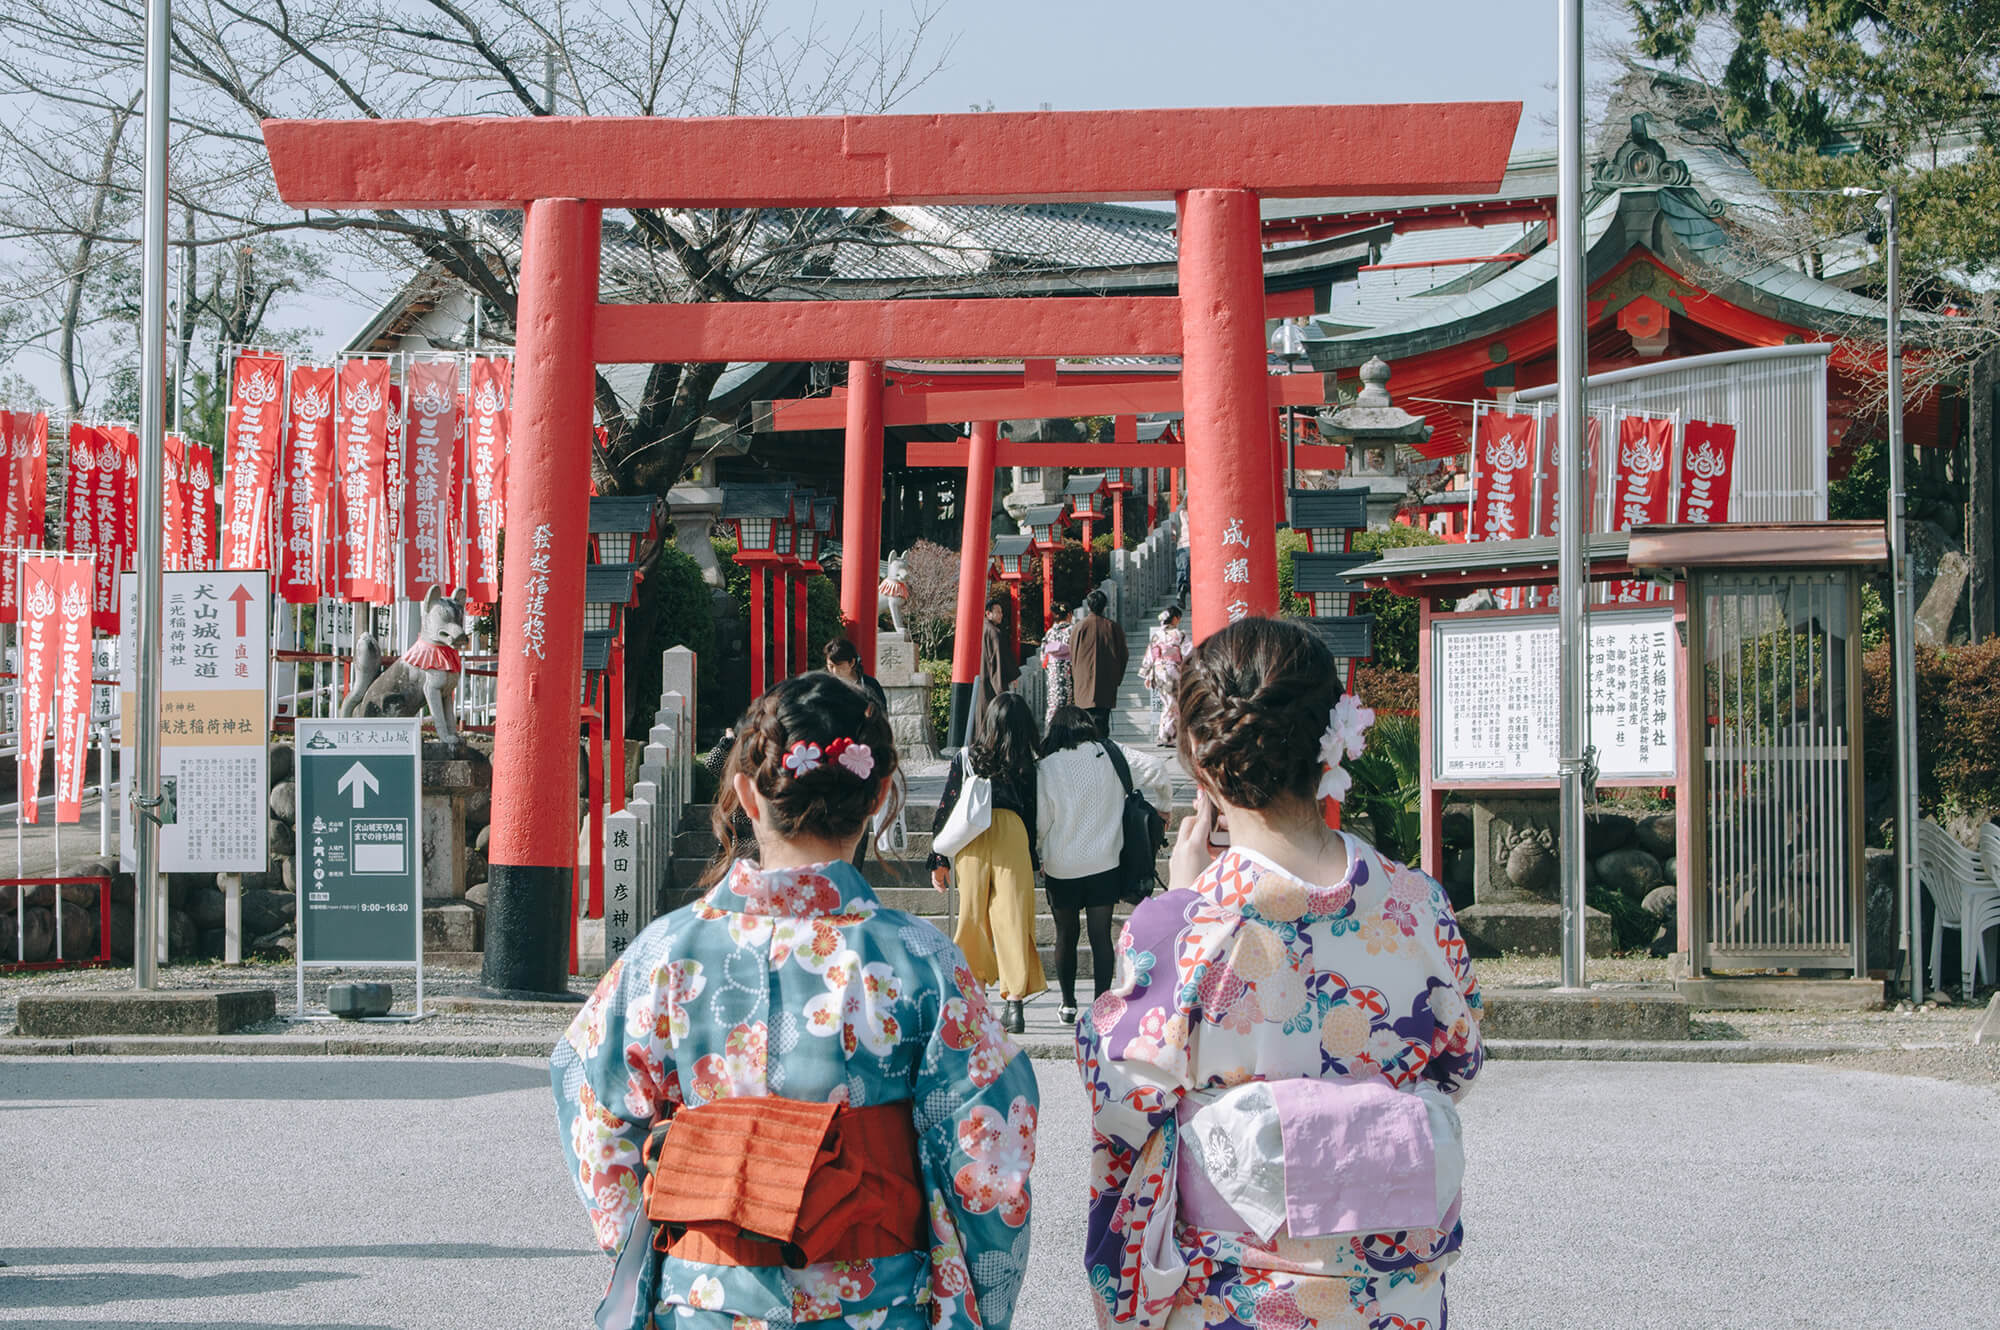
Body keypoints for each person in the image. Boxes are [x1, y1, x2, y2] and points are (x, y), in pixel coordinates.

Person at [553, 673, 1039, 1330]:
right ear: (876, 801)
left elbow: (591, 1095)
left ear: (748, 795)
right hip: (873, 1303)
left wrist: (660, 1229)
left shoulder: (667, 952)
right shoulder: (922, 963)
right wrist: (976, 1304)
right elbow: (989, 1155)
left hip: (702, 1302)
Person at [1079, 617, 1483, 1330]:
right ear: (1331, 741)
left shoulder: (1185, 924)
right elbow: (1458, 1066)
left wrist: (1184, 897)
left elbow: (1122, 1106)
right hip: (1392, 1298)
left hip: (1236, 1300)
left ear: (1200, 765)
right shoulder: (1419, 905)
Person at [1036, 705, 1174, 1025]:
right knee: (1100, 936)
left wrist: (1040, 852)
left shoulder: (1047, 766)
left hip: (1061, 866)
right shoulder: (1111, 754)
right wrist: (1164, 808)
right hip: (1104, 863)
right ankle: (1102, 1004)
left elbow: (1042, 820)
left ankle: (1068, 1004)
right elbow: (1156, 768)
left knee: (1065, 934)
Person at [930, 691, 1044, 1034]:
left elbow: (948, 806)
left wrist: (939, 859)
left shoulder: (966, 758)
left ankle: (972, 994)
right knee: (1012, 916)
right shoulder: (1026, 763)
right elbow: (1032, 813)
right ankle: (1014, 1003)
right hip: (1012, 833)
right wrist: (1034, 856)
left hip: (971, 837)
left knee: (971, 915)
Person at [822, 637, 890, 868]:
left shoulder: (870, 686)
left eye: (837, 666)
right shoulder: (827, 688)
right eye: (829, 666)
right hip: (835, 762)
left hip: (864, 762)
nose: (833, 671)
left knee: (859, 825)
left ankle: (855, 871)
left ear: (851, 662)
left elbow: (883, 722)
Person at [1069, 588, 1128, 742]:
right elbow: (1123, 656)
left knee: (1084, 724)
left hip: (1083, 683)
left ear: (1089, 606)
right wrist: (1116, 679)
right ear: (1105, 606)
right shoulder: (1113, 627)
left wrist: (1076, 679)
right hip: (1106, 682)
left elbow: (1072, 655)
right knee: (1102, 723)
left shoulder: (1079, 627)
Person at [1138, 605, 1191, 747]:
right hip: (1172, 672)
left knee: (1168, 704)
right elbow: (1188, 654)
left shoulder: (1157, 636)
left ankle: (1166, 736)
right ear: (1174, 618)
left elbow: (1150, 656)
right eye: (1178, 618)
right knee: (1172, 704)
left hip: (1158, 671)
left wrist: (1148, 674)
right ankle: (1167, 737)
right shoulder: (1179, 635)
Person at [971, 594, 1019, 725]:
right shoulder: (993, 632)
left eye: (1001, 612)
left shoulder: (981, 629)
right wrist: (1003, 688)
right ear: (988, 613)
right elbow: (997, 660)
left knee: (982, 715)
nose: (1001, 615)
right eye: (998, 612)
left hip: (981, 678)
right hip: (991, 682)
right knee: (993, 716)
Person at [1038, 600, 1075, 727]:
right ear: (1069, 615)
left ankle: (1051, 733)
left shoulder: (1049, 633)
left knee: (1054, 707)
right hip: (1069, 674)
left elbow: (1043, 657)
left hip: (1054, 676)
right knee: (1069, 708)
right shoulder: (1072, 631)